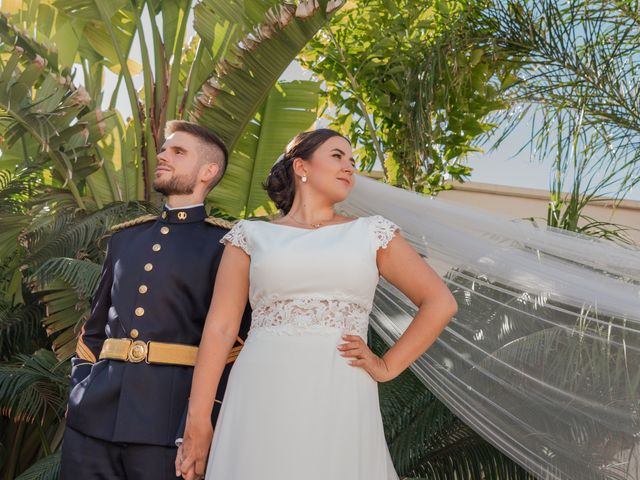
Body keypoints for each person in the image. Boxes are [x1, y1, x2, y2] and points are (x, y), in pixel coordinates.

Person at [177, 128, 458, 480]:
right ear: (301, 166)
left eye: (353, 162)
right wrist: (199, 420)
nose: (349, 168)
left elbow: (440, 302)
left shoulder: (372, 233)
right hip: (262, 388)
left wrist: (387, 366)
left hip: (339, 387)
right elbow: (220, 328)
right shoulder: (250, 235)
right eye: (337, 156)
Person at [60, 120, 252, 479]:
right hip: (93, 417)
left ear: (208, 171)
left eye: (178, 151)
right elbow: (93, 329)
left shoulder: (228, 247)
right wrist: (80, 389)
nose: (162, 155)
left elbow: (234, 345)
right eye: (164, 149)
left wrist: (199, 422)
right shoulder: (124, 239)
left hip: (168, 423)